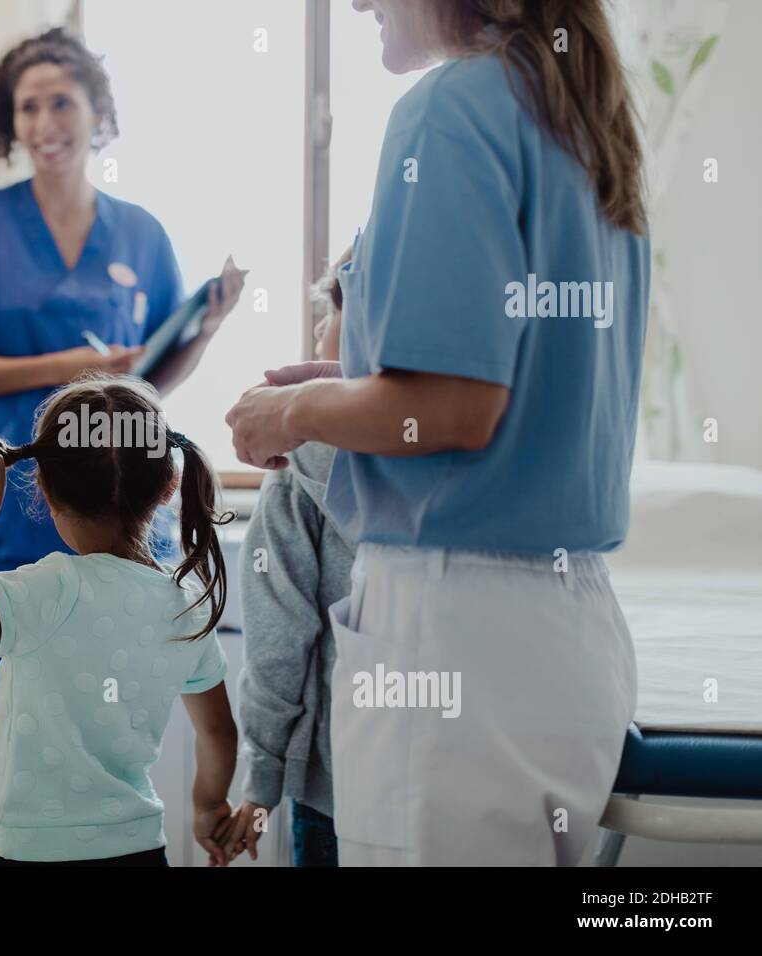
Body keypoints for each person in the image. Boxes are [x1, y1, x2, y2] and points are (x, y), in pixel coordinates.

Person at [225, 0, 648, 865]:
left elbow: (454, 407)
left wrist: (292, 413)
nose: (358, 3)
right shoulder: (580, 121)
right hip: (564, 637)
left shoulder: (451, 107)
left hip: (457, 638)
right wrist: (356, 387)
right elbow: (508, 389)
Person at [0, 27, 244, 866]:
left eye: (62, 100)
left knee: (109, 736)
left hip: (117, 531)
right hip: (13, 526)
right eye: (28, 105)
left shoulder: (141, 232)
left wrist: (205, 324)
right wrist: (73, 364)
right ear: (7, 123)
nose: (46, 119)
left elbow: (151, 380)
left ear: (97, 112)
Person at [0, 373, 238, 866]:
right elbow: (219, 732)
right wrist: (209, 807)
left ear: (44, 487)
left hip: (38, 854)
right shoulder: (187, 605)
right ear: (168, 486)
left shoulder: (44, 593)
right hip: (140, 848)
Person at [224, 263, 357, 866]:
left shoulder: (296, 467)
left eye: (330, 311)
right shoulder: (464, 457)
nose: (320, 331)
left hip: (335, 785)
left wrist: (261, 781)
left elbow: (279, 644)